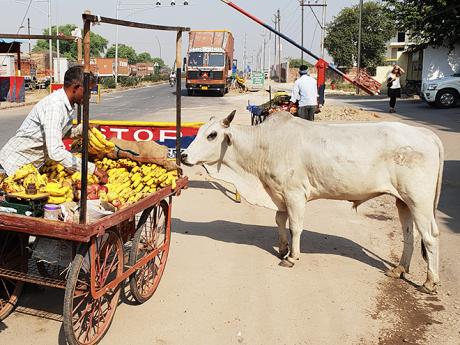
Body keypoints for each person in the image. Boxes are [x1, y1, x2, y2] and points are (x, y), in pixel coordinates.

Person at [0, 65, 107, 181]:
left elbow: (61, 132)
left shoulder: (65, 105)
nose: (90, 96)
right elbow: (55, 151)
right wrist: (92, 169)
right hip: (10, 167)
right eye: (88, 91)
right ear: (75, 88)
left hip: (26, 169)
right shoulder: (55, 106)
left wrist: (82, 130)